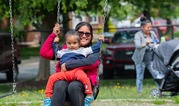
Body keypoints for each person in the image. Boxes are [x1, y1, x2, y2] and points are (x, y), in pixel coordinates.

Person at [40, 22, 102, 106]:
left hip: (84, 85)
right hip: (64, 79)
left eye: (87, 34)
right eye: (81, 33)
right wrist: (53, 35)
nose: (84, 36)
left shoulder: (92, 51)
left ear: (91, 36)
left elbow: (89, 62)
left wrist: (67, 65)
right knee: (59, 84)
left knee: (74, 86)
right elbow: (44, 52)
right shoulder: (65, 51)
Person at [132, 16, 164, 96]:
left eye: (150, 27)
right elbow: (137, 46)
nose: (149, 28)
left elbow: (156, 42)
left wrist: (158, 44)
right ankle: (139, 92)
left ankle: (161, 90)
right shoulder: (138, 35)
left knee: (156, 74)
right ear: (142, 27)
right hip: (140, 59)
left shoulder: (152, 33)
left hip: (150, 59)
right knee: (140, 76)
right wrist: (145, 43)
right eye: (148, 27)